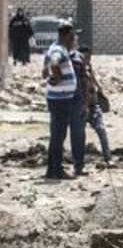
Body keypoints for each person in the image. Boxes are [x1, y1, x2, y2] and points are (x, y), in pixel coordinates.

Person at [41, 23, 84, 180]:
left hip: (58, 98)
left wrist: (49, 74)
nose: (75, 38)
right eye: (74, 35)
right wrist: (57, 75)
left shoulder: (55, 47)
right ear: (67, 35)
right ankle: (56, 170)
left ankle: (52, 168)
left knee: (57, 135)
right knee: (59, 136)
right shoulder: (58, 50)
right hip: (60, 100)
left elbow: (44, 71)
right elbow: (54, 61)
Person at [79, 48, 112, 166]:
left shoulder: (88, 68)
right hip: (82, 107)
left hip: (93, 106)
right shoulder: (76, 70)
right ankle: (79, 161)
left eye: (89, 58)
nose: (87, 60)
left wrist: (99, 88)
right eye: (85, 57)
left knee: (101, 130)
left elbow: (92, 78)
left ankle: (108, 158)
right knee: (79, 135)